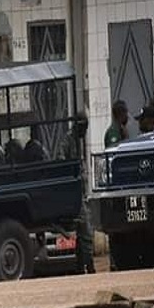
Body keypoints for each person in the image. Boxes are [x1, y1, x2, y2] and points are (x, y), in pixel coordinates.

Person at [58, 113, 95, 274]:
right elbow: (61, 162)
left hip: (80, 191)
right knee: (86, 231)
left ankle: (81, 266)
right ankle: (89, 265)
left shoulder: (78, 141)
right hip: (73, 193)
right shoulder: (68, 140)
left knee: (82, 232)